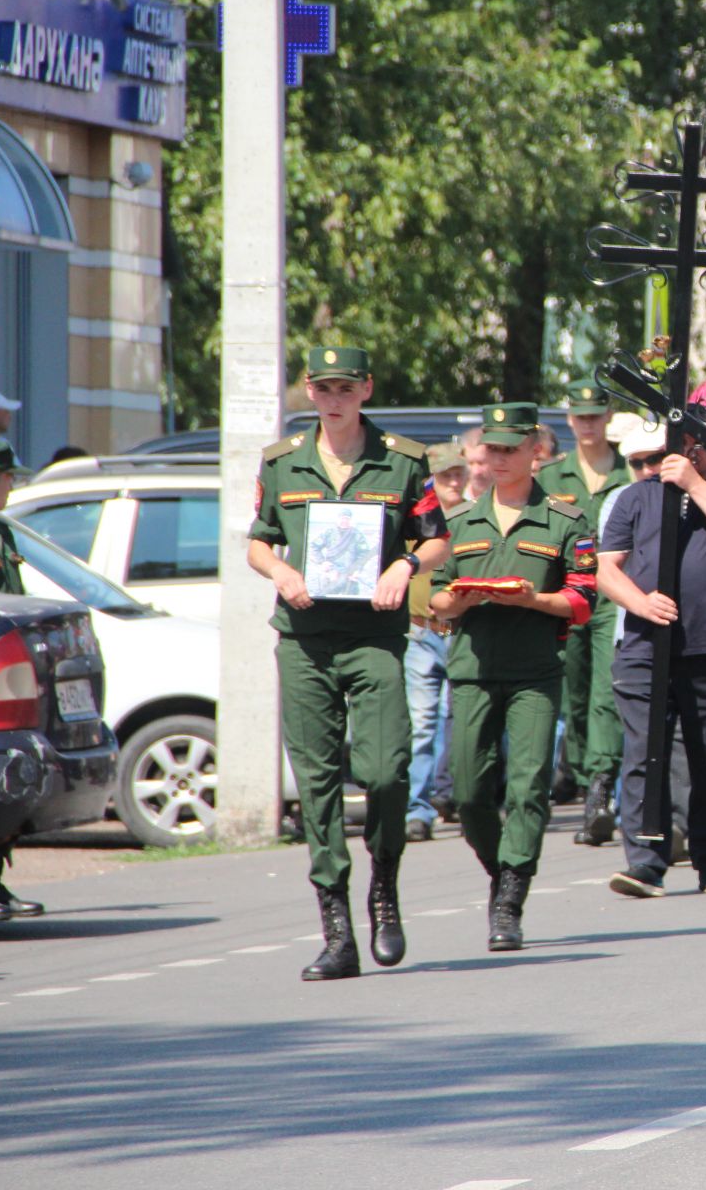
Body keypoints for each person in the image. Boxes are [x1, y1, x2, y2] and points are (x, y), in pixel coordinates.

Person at [248, 346, 449, 981]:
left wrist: (405, 565)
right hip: (305, 640)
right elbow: (258, 539)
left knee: (388, 770)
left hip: (373, 638)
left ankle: (383, 885)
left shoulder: (404, 461)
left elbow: (437, 536)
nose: (333, 397)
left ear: (366, 389)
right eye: (323, 387)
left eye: (345, 387)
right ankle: (337, 931)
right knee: (317, 786)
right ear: (310, 391)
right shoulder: (283, 463)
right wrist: (279, 571)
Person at [429, 403, 596, 950]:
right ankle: (501, 868)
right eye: (491, 449)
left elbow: (583, 599)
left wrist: (536, 599)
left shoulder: (565, 520)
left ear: (535, 451)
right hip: (472, 670)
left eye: (509, 448)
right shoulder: (457, 523)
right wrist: (453, 602)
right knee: (472, 792)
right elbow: (433, 600)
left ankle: (510, 899)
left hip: (534, 671)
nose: (497, 458)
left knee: (528, 787)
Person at [599, 405, 706, 897]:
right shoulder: (635, 497)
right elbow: (607, 570)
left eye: (692, 445)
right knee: (643, 754)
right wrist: (641, 603)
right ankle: (645, 862)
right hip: (647, 645)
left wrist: (694, 484)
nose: (681, 453)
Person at [543, 378, 629, 846]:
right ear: (570, 420)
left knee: (604, 694)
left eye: (596, 416)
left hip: (612, 595)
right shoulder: (553, 477)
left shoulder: (627, 470)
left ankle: (599, 789)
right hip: (567, 595)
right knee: (572, 696)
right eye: (580, 417)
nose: (589, 425)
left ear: (607, 417)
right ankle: (580, 772)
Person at [0, 440, 44, 921]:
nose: (12, 485)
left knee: (13, 778)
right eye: (8, 477)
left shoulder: (0, 533)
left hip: (11, 671)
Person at [403, 440, 468, 841]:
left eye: (459, 472)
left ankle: (465, 798)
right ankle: (417, 809)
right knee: (423, 724)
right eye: (446, 475)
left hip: (461, 633)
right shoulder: (416, 521)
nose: (455, 481)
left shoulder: (474, 517)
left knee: (462, 723)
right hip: (420, 632)